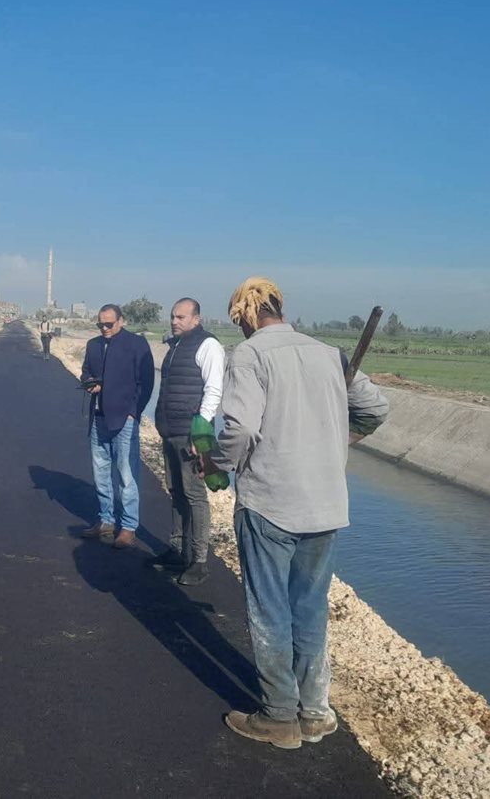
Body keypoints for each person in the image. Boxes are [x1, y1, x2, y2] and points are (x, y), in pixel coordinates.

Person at [205, 277, 387, 751]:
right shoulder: (329, 354)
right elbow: (374, 408)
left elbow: (241, 427)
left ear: (245, 316)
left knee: (270, 610)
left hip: (271, 503)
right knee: (309, 608)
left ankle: (280, 717)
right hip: (326, 505)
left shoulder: (251, 356)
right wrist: (341, 441)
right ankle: (315, 712)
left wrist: (217, 462)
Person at [149, 298, 224, 585]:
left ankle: (199, 561)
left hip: (192, 433)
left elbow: (214, 390)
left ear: (197, 319)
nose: (174, 321)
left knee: (194, 495)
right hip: (171, 430)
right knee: (176, 490)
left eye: (181, 317)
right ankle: (178, 550)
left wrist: (200, 432)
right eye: (172, 316)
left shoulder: (208, 346)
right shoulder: (176, 346)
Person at [79, 304, 155, 549]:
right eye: (100, 324)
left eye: (109, 324)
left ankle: (129, 526)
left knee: (126, 475)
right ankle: (106, 520)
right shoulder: (93, 345)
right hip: (99, 418)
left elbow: (146, 382)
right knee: (101, 473)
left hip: (124, 420)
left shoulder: (136, 344)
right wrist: (89, 382)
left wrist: (134, 413)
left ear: (121, 321)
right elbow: (85, 372)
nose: (104, 328)